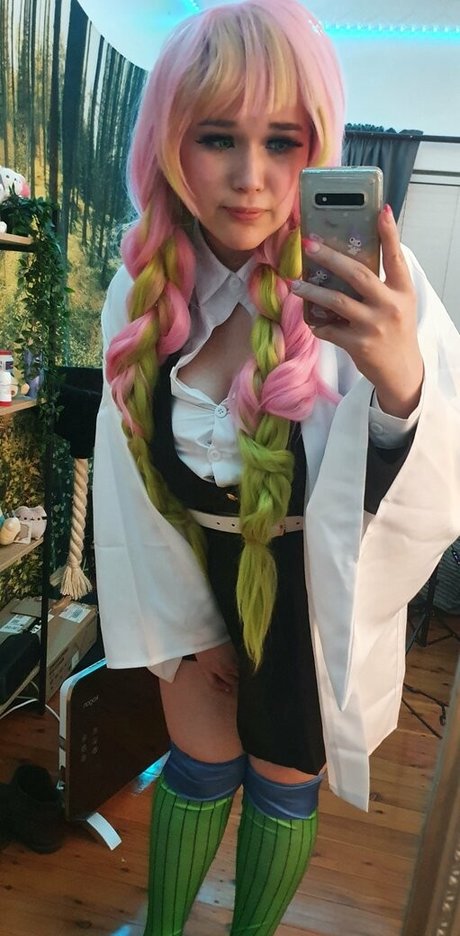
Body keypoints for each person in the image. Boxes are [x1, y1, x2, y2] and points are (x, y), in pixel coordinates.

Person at [93, 1, 460, 933]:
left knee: (283, 780)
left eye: (283, 141)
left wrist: (402, 383)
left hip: (313, 583)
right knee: (198, 767)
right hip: (192, 566)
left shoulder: (377, 287)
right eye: (218, 137)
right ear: (170, 140)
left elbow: (432, 481)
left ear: (318, 144)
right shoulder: (141, 288)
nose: (251, 178)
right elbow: (131, 479)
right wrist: (187, 624)